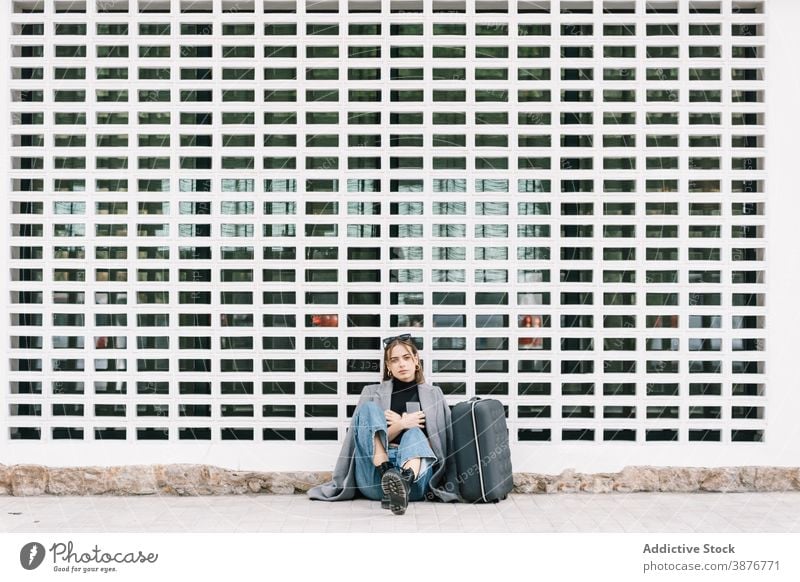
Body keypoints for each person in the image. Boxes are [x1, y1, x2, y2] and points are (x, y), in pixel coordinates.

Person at [308, 333, 462, 514]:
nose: (402, 364)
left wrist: (411, 429)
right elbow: (362, 441)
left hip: (416, 482)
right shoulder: (371, 392)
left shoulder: (434, 394)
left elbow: (441, 444)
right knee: (369, 409)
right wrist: (401, 424)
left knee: (415, 434)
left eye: (406, 358)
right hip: (375, 478)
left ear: (416, 360)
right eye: (395, 360)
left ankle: (402, 482)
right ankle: (389, 475)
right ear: (388, 366)